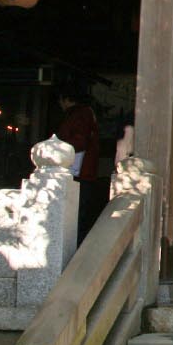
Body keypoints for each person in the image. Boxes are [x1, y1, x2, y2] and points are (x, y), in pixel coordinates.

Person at [53, 90, 106, 238]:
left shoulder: (78, 115)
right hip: (84, 171)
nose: (60, 105)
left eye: (61, 101)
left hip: (78, 171)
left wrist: (58, 148)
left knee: (75, 214)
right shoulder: (86, 113)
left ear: (67, 99)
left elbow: (79, 142)